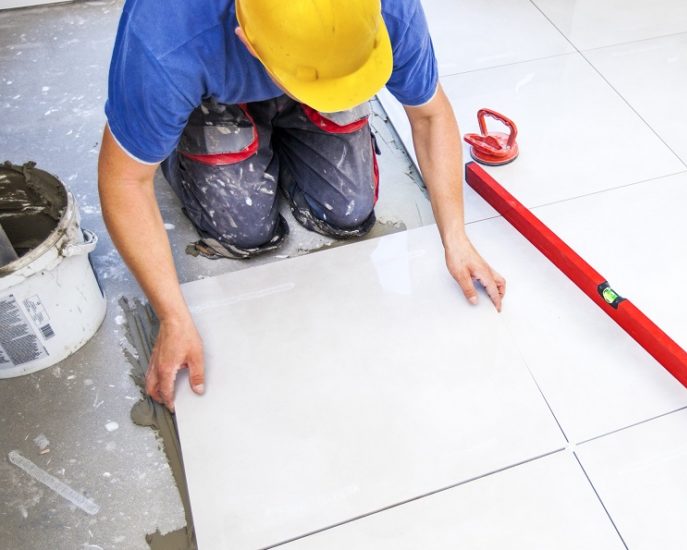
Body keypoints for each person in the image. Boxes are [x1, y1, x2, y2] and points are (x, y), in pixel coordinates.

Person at [97, 0, 506, 411]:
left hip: (304, 61)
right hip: (213, 91)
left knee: (349, 211)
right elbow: (126, 179)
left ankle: (293, 120)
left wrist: (456, 239)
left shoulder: (387, 8)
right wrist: (173, 316)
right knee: (245, 229)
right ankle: (188, 139)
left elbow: (430, 115)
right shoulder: (169, 33)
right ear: (248, 41)